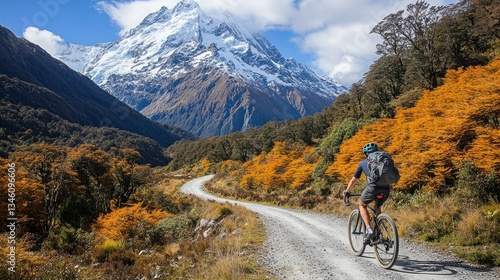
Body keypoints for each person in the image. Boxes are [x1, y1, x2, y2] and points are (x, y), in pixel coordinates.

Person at [343, 142, 391, 245]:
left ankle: (369, 230)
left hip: (372, 188)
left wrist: (347, 191)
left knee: (362, 204)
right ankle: (378, 230)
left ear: (366, 154)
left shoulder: (363, 163)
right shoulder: (384, 160)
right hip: (386, 189)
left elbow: (353, 180)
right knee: (377, 206)